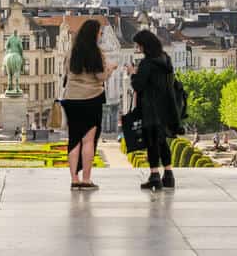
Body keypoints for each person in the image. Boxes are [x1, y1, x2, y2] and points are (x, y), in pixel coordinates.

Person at [60, 19, 116, 191]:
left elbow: (65, 73)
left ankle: (74, 179)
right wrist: (111, 69)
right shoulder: (96, 53)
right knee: (88, 140)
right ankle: (86, 179)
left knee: (74, 139)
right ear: (93, 34)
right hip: (92, 99)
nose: (100, 36)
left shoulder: (72, 52)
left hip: (71, 99)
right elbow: (100, 76)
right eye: (99, 33)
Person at [125, 29, 180, 191]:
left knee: (151, 143)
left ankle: (155, 176)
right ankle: (169, 175)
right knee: (162, 141)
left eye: (139, 45)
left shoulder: (147, 64)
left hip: (150, 108)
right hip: (166, 107)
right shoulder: (165, 59)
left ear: (145, 46)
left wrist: (132, 73)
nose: (138, 48)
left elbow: (138, 85)